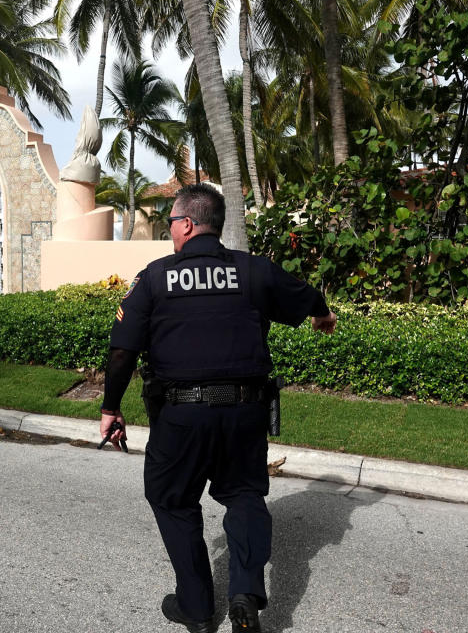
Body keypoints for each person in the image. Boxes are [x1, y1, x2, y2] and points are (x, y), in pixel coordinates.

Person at [99, 184, 336, 633]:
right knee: (245, 495)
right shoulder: (252, 270)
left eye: (170, 221)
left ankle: (197, 607)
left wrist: (111, 408)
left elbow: (120, 353)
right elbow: (304, 294)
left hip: (181, 416)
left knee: (172, 498)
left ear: (186, 224)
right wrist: (322, 314)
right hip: (245, 412)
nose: (170, 229)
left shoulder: (154, 277)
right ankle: (244, 593)